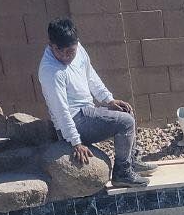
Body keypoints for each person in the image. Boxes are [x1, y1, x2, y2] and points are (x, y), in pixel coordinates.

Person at [38, 17, 147, 187]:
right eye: (60, 51)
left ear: (77, 43)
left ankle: (130, 161)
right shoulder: (51, 71)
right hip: (75, 119)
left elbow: (91, 76)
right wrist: (75, 142)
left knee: (125, 111)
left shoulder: (79, 49)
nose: (66, 56)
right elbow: (60, 110)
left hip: (86, 111)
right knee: (126, 122)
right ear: (50, 45)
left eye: (71, 51)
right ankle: (122, 173)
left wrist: (108, 99)